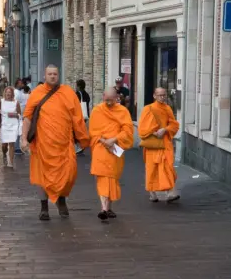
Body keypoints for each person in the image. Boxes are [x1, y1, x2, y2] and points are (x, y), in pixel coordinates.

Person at [21, 65, 90, 220]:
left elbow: (77, 117)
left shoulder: (67, 92)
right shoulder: (37, 93)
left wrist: (82, 137)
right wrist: (24, 138)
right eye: (50, 74)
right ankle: (44, 207)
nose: (52, 76)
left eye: (55, 74)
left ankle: (61, 199)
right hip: (42, 144)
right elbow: (27, 117)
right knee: (42, 176)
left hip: (64, 144)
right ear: (44, 76)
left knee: (68, 174)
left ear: (59, 75)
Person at [89, 87, 134, 221]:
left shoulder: (123, 111)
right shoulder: (97, 110)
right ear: (103, 97)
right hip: (101, 148)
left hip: (115, 148)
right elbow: (93, 131)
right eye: (106, 100)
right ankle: (103, 208)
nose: (109, 103)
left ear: (117, 98)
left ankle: (108, 207)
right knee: (103, 177)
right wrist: (104, 141)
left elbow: (128, 130)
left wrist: (113, 139)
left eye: (111, 100)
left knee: (112, 177)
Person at [139, 87, 181, 203]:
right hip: (152, 144)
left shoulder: (167, 109)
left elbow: (174, 125)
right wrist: (153, 132)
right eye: (160, 95)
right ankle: (152, 193)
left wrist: (165, 129)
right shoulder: (148, 109)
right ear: (154, 96)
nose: (162, 97)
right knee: (152, 169)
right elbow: (142, 128)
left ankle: (171, 192)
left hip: (165, 143)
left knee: (168, 166)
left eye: (164, 95)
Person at [0, 86, 22, 168]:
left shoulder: (16, 102)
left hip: (13, 125)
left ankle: (10, 163)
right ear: (5, 93)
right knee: (4, 145)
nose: (8, 93)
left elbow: (19, 114)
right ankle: (4, 153)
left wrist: (15, 115)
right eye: (7, 92)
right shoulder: (1, 102)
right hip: (5, 125)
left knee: (12, 144)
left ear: (12, 93)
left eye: (10, 92)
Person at [75, 79, 91, 156]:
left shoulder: (77, 94)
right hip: (85, 115)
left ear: (79, 86)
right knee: (81, 130)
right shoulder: (86, 94)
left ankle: (80, 146)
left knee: (76, 131)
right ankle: (81, 146)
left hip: (79, 115)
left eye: (76, 85)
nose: (75, 87)